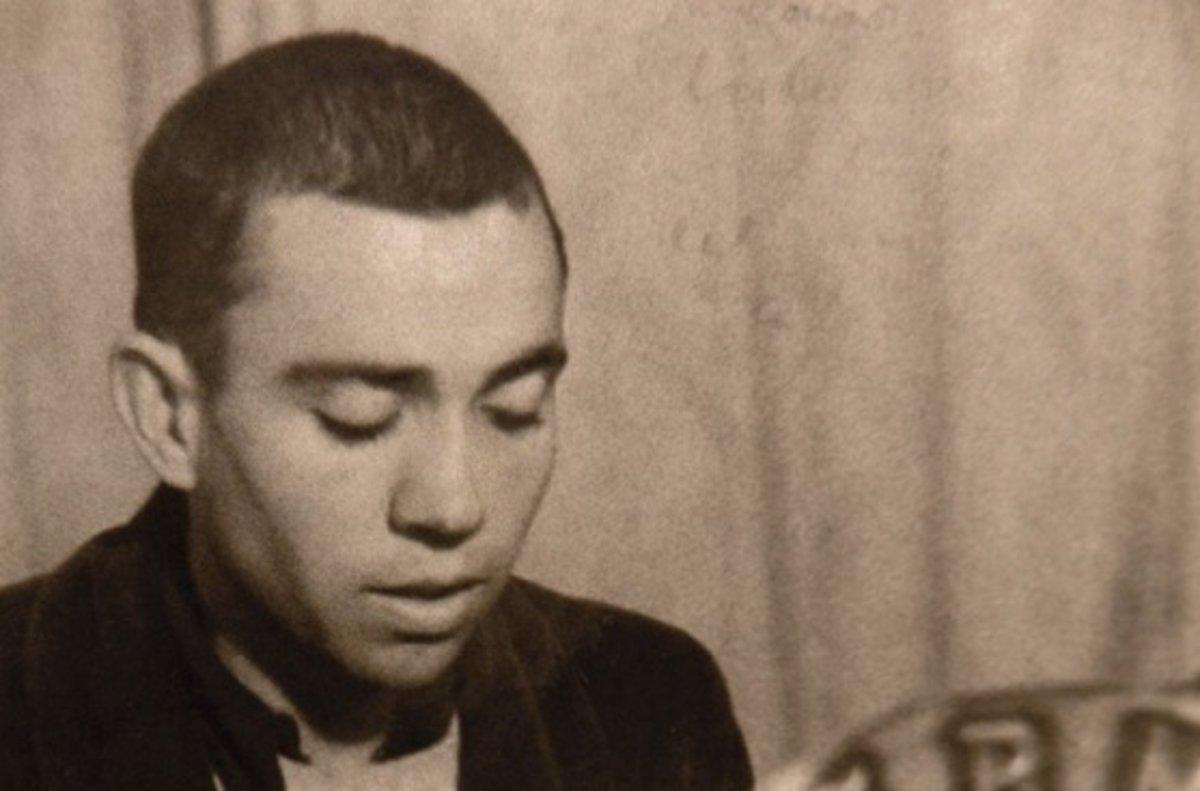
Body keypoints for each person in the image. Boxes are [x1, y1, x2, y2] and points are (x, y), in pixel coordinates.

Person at [0, 33, 751, 790]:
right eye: (358, 417)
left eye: (513, 409)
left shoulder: (649, 704)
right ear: (168, 415)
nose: (454, 508)